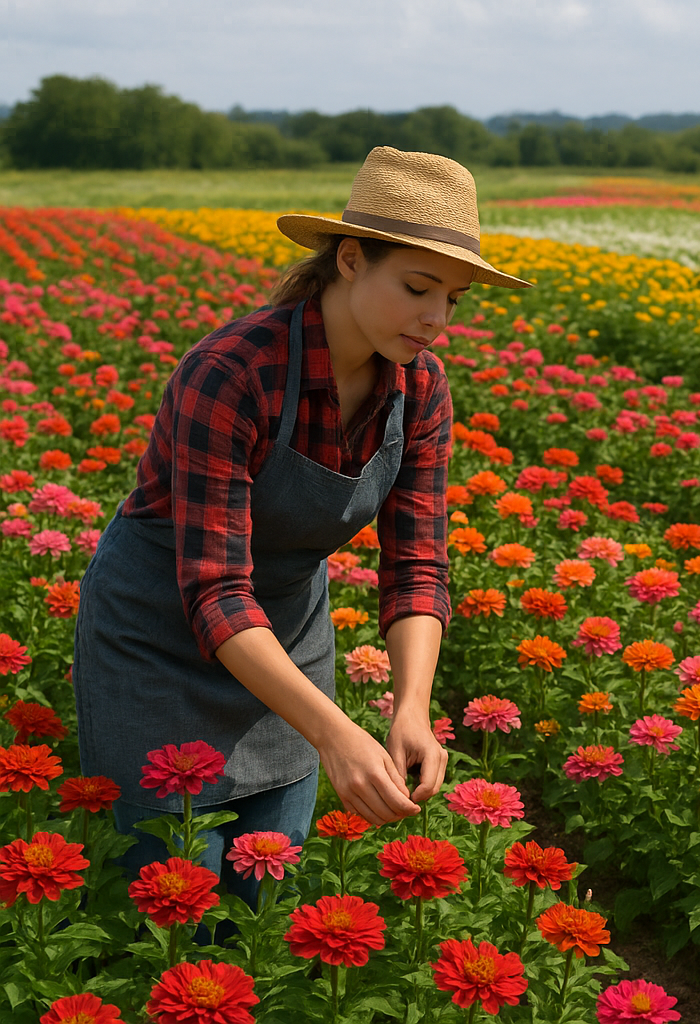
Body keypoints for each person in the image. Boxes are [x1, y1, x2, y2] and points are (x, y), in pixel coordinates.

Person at [74, 147, 530, 906]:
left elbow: (416, 565)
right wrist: (334, 731)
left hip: (284, 634)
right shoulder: (232, 371)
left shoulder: (420, 389)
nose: (436, 320)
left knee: (261, 904)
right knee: (166, 913)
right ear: (349, 259)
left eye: (453, 299)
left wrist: (407, 706)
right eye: (418, 288)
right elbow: (216, 589)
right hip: (156, 639)